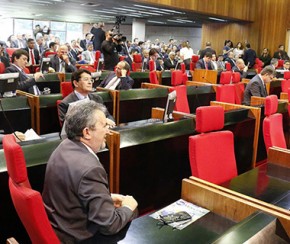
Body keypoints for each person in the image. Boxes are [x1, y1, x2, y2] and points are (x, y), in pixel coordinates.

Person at [43, 100, 138, 243]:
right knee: (132, 214)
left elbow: (73, 191)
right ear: (87, 132)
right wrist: (128, 207)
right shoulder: (90, 169)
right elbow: (109, 225)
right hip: (78, 237)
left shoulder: (63, 147)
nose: (108, 130)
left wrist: (106, 197)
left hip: (61, 227)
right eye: (104, 125)